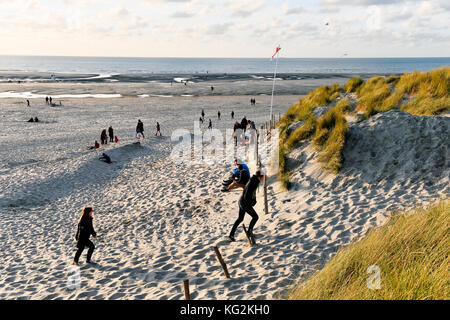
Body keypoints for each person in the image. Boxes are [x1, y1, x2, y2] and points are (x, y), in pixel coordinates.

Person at [228, 170, 264, 242]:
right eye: (262, 177)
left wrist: (253, 200)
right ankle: (249, 232)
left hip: (241, 201)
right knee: (255, 217)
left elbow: (248, 191)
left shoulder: (253, 180)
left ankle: (231, 235)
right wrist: (251, 202)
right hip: (244, 202)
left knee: (240, 219)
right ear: (259, 177)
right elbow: (247, 193)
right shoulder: (254, 182)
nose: (263, 179)